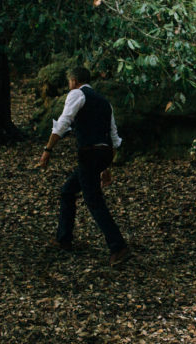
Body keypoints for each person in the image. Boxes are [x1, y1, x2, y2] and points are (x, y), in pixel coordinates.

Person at [37, 66, 130, 267]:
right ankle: (64, 238)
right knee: (68, 191)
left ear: (73, 81)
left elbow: (63, 122)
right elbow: (113, 138)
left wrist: (48, 149)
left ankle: (118, 245)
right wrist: (106, 167)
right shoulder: (105, 103)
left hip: (89, 153)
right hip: (103, 153)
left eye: (69, 81)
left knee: (93, 200)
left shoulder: (77, 94)